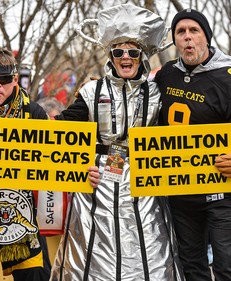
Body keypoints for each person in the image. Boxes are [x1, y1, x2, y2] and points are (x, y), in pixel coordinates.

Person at [50, 4, 184, 281]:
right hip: (97, 182)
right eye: (118, 51)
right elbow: (60, 133)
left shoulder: (158, 94)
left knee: (150, 251)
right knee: (91, 256)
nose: (126, 57)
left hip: (145, 182)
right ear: (111, 56)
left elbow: (181, 131)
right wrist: (79, 166)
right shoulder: (91, 91)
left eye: (132, 52)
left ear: (141, 57)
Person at [0, 47, 99, 281]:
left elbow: (58, 152)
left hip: (16, 209)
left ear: (15, 80)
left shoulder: (31, 111)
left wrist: (84, 171)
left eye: (5, 78)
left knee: (34, 274)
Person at [155, 8, 231, 281]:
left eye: (194, 31)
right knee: (191, 267)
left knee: (226, 266)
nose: (187, 37)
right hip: (181, 193)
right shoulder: (165, 75)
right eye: (181, 32)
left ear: (206, 37)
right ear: (175, 40)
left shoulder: (227, 76)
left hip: (222, 192)